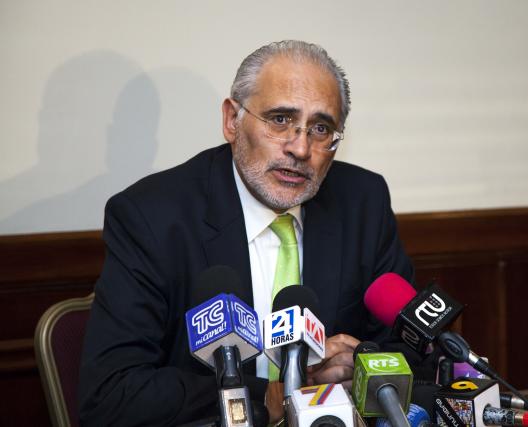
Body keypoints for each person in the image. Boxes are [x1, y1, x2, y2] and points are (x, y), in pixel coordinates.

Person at [79, 40, 414, 426]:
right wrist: (268, 396)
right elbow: (111, 394)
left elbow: (410, 348)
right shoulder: (153, 218)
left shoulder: (362, 202)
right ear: (231, 121)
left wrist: (361, 364)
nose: (300, 148)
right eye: (280, 119)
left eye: (321, 128)